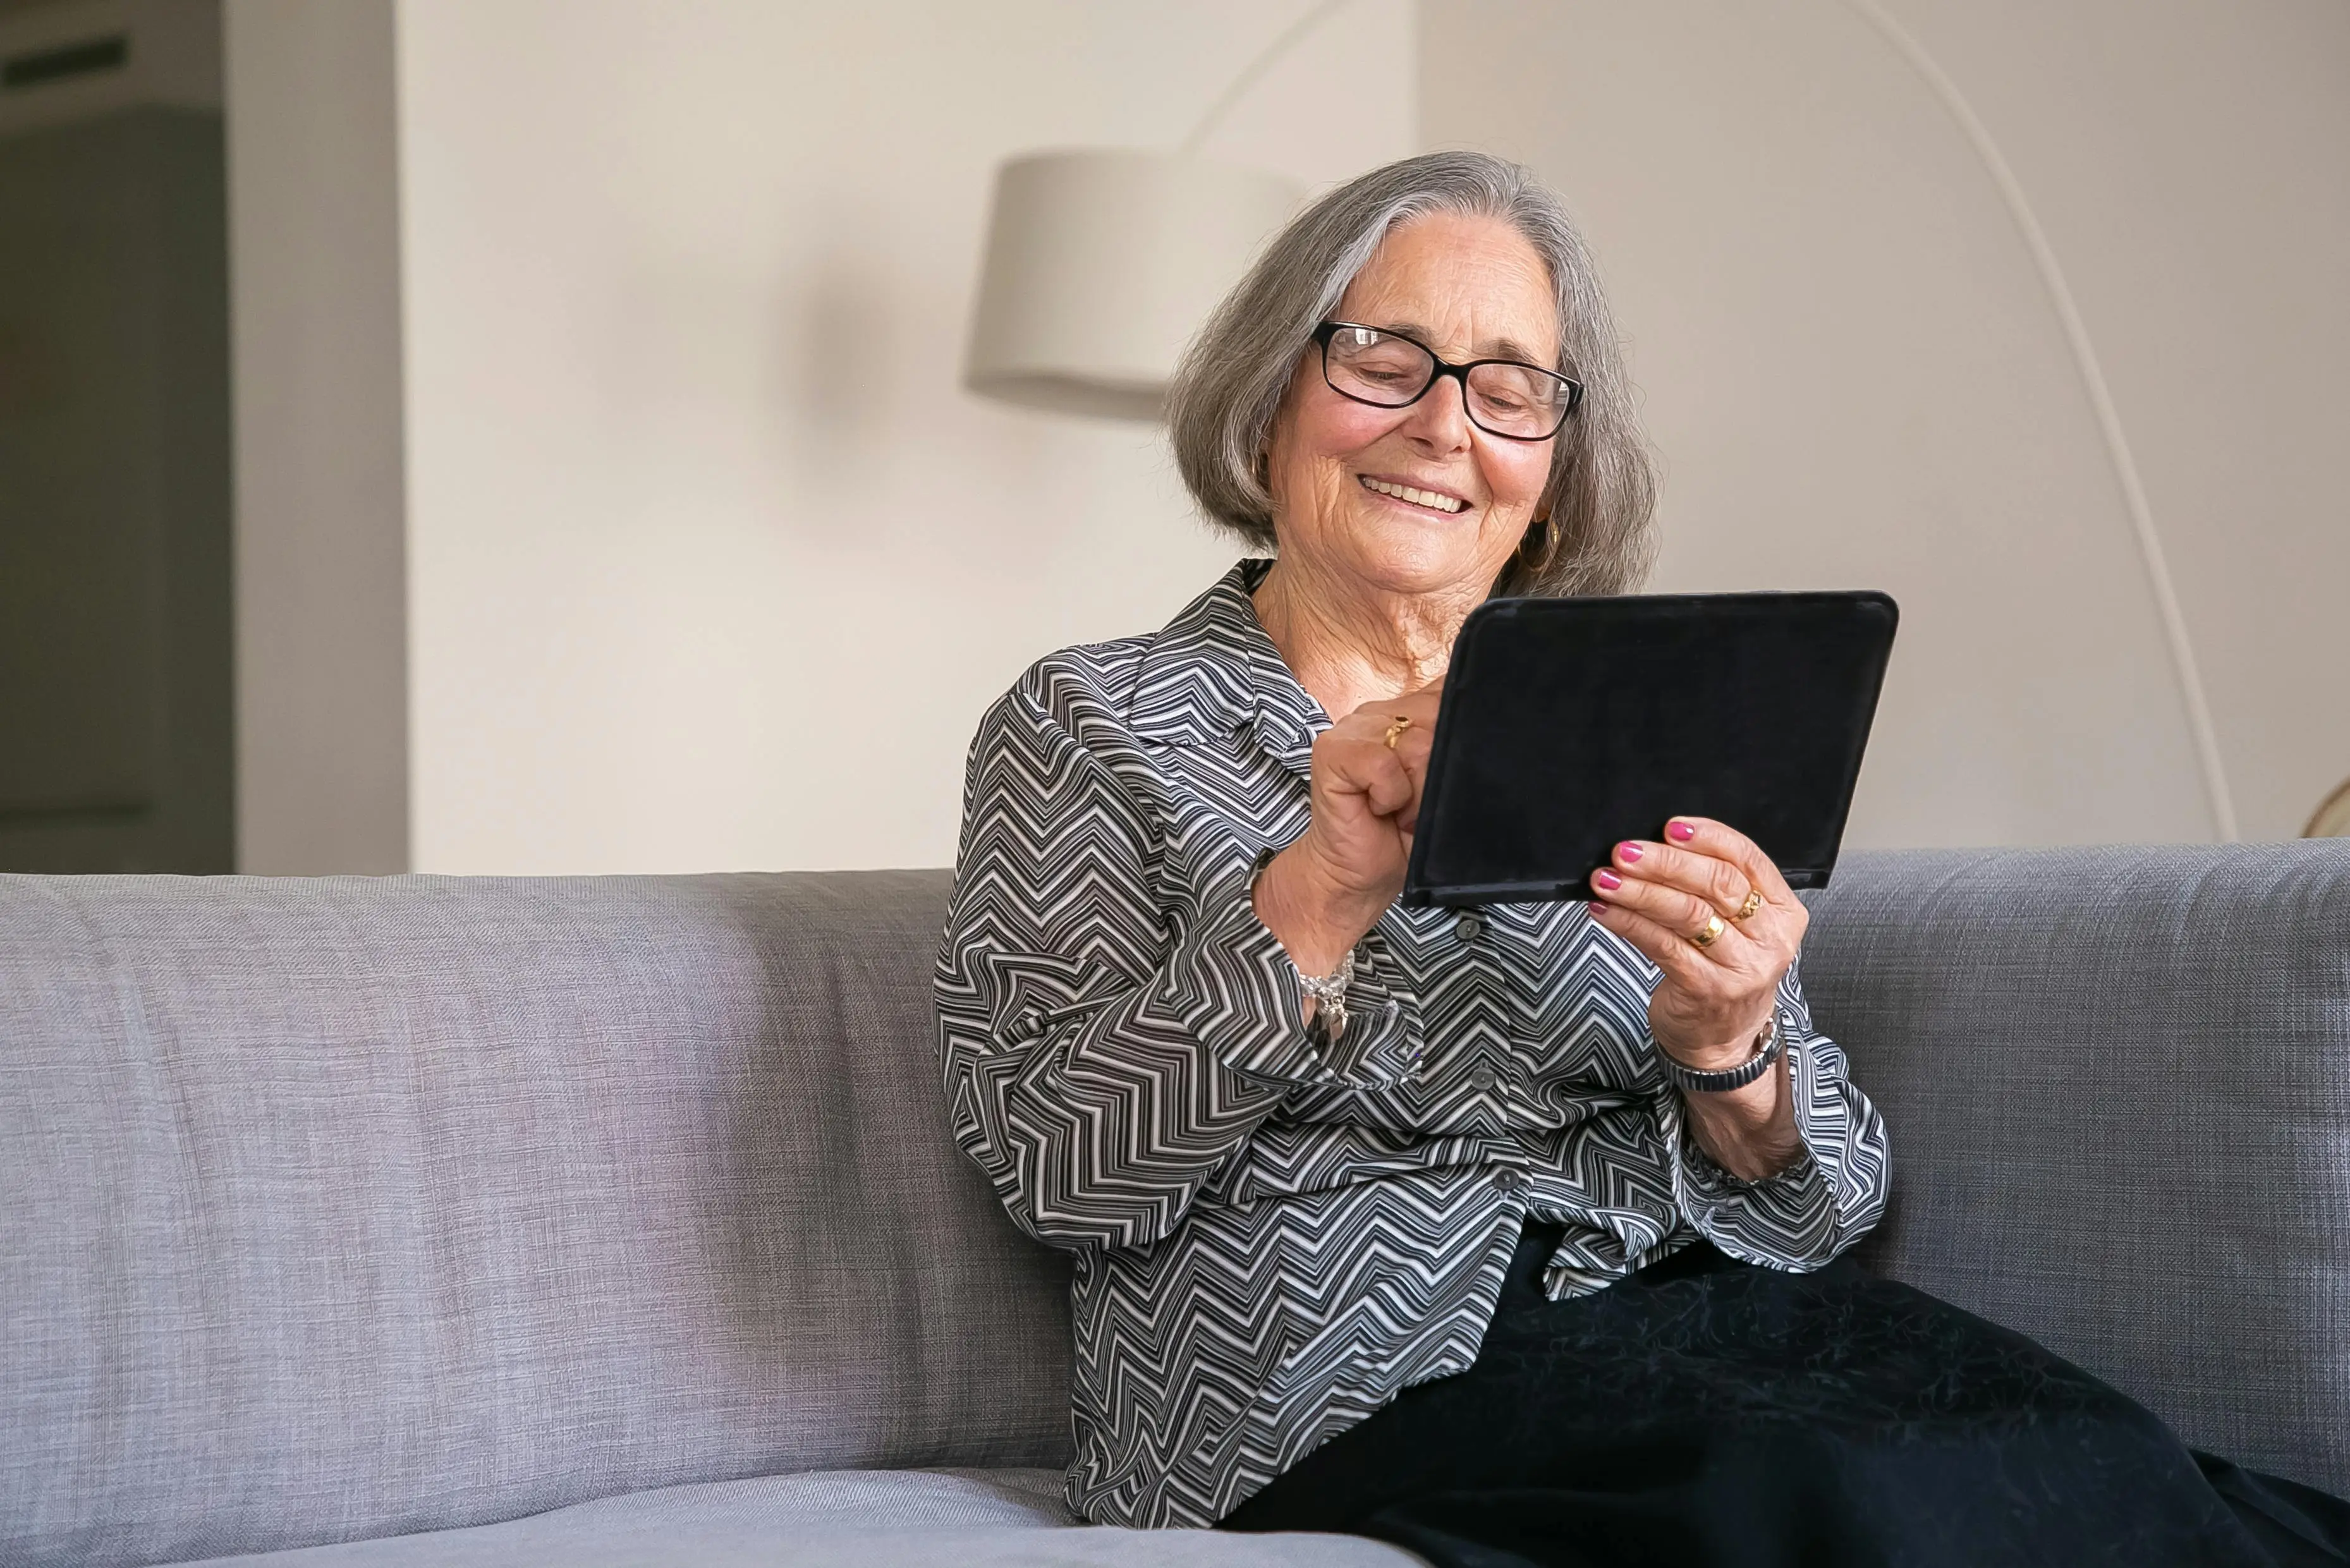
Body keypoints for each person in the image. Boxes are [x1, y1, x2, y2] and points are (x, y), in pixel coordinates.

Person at [933, 150, 2347, 1566]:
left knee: (2119, 1468)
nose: (1442, 426)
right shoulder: (1092, 722)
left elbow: (1826, 1197)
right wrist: (1314, 893)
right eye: (1382, 357)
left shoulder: (1626, 716)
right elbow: (1058, 1175)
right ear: (1269, 402)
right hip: (1336, 1378)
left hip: (1696, 1308)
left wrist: (1730, 1049)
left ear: (1547, 477)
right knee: (1851, 1507)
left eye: (1507, 389)